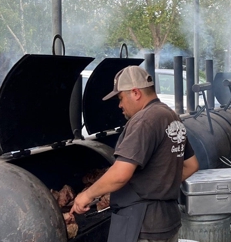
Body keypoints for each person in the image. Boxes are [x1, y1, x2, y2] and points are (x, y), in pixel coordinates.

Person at [69, 66, 199, 242]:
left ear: (136, 93)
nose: (120, 105)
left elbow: (121, 174)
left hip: (141, 225)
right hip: (166, 222)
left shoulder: (144, 120)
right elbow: (191, 165)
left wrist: (86, 195)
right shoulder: (170, 116)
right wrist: (161, 184)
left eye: (121, 98)